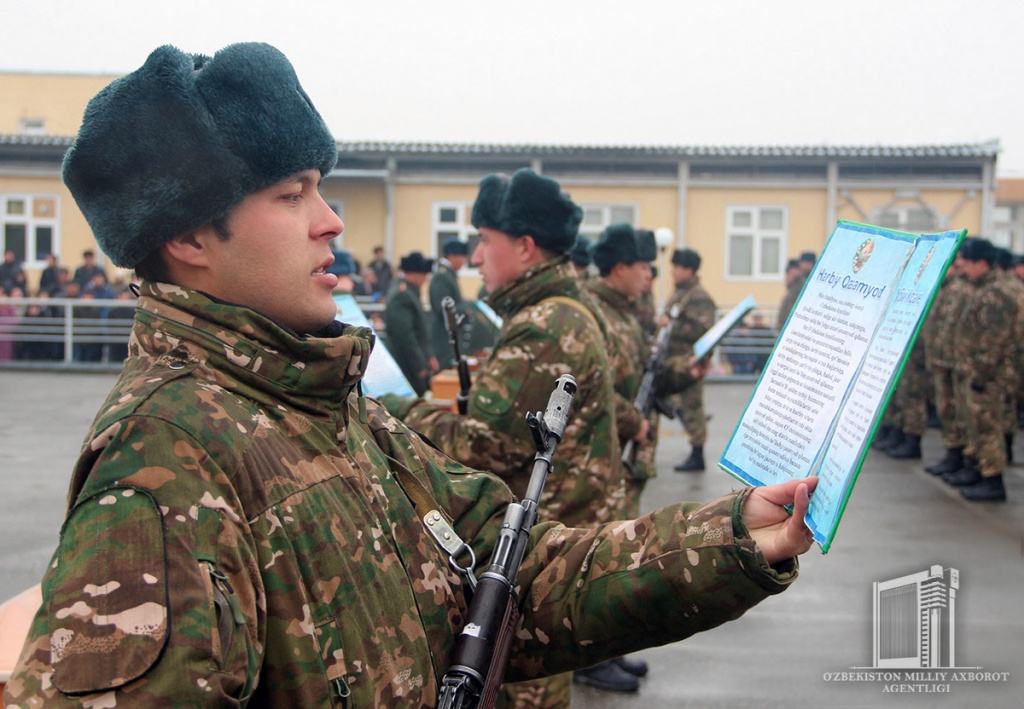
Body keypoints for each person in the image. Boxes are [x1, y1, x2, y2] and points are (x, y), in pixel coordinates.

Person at [6, 42, 818, 708]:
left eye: (320, 188)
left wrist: (734, 535)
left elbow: (520, 578)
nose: (331, 220)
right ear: (188, 237)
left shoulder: (328, 407)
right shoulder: (166, 463)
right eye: (292, 195)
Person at [380, 169, 630, 702]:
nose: (474, 258)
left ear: (523, 247)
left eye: (484, 242)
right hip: (562, 539)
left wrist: (389, 405)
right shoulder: (566, 309)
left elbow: (474, 447)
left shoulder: (544, 324)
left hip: (541, 558)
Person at [943, 238, 1016, 501]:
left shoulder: (995, 293)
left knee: (987, 427)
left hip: (989, 375)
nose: (960, 265)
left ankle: (992, 480)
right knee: (977, 425)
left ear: (982, 263)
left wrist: (981, 374)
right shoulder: (983, 289)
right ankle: (979, 470)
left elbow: (992, 341)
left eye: (966, 261)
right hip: (978, 371)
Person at [664, 247, 716, 472]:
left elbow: (704, 330)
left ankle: (698, 454)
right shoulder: (680, 294)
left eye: (679, 267)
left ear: (690, 270)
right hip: (676, 361)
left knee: (692, 406)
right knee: (680, 405)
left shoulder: (698, 297)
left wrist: (673, 325)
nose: (674, 271)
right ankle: (695, 449)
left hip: (689, 360)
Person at [384, 251, 437, 396]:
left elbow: (420, 331)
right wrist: (419, 367)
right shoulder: (402, 296)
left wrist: (429, 356)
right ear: (415, 273)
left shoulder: (410, 292)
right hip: (406, 363)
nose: (426, 279)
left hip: (414, 360)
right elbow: (405, 336)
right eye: (424, 275)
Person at [429, 237, 470, 368]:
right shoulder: (442, 276)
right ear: (452, 256)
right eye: (463, 256)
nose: (465, 261)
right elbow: (443, 307)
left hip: (448, 336)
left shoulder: (448, 274)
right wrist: (465, 311)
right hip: (443, 337)